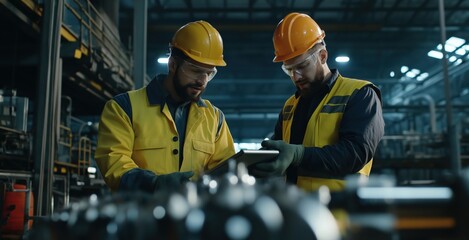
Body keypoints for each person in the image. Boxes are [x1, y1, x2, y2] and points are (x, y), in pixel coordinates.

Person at [95, 20, 236, 192]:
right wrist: (153, 184)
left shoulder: (215, 119)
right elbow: (113, 163)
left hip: (192, 216)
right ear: (173, 65)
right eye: (195, 70)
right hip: (140, 215)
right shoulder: (123, 108)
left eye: (209, 73)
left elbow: (225, 169)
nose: (202, 81)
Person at [250, 12, 384, 192]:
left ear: (322, 56)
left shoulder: (360, 94)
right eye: (288, 70)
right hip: (296, 210)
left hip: (340, 211)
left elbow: (355, 154)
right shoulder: (290, 105)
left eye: (301, 66)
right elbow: (282, 151)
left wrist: (299, 155)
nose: (295, 76)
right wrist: (259, 160)